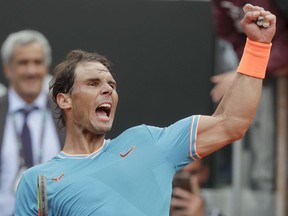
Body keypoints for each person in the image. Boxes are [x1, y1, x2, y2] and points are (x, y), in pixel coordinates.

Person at [14, 5, 276, 215]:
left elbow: (232, 122)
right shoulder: (38, 182)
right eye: (93, 83)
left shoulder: (149, 142)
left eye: (111, 84)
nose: (107, 90)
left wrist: (258, 47)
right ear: (64, 100)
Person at [211, 0, 288, 191]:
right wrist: (246, 66)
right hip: (260, 67)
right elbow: (229, 35)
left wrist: (245, 70)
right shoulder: (221, 4)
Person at [0, 30, 65, 216]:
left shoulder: (66, 113)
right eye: (23, 63)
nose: (31, 71)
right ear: (7, 69)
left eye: (37, 62)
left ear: (46, 67)